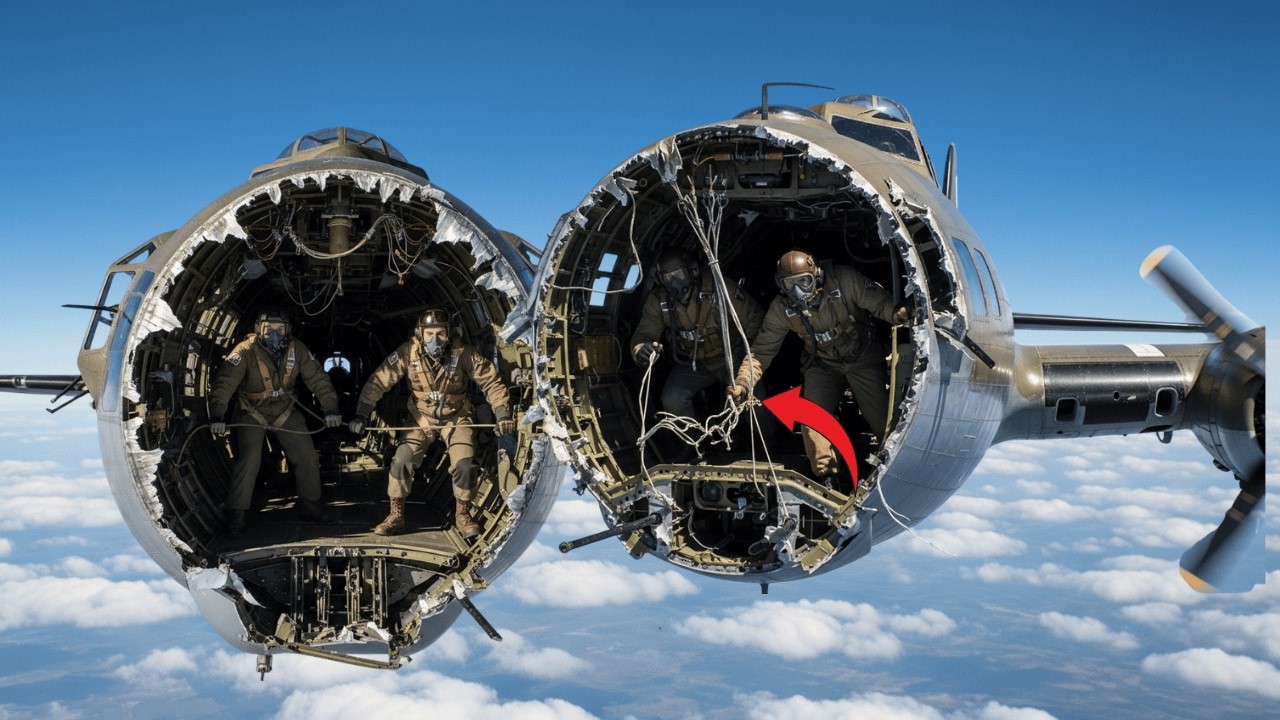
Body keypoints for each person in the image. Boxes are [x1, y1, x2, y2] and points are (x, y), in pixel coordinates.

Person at [729, 249, 909, 479]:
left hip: (862, 358)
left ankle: (889, 471)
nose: (797, 291)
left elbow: (879, 304)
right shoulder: (782, 309)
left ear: (817, 276)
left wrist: (898, 314)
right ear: (780, 285)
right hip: (823, 364)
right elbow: (761, 352)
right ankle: (828, 475)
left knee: (884, 424)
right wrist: (743, 382)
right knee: (811, 419)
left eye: (804, 282)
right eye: (789, 284)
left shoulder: (845, 280)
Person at [349, 309, 516, 538]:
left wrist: (502, 414)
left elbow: (491, 382)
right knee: (401, 461)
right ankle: (396, 516)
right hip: (421, 418)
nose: (434, 339)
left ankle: (463, 515)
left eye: (440, 333)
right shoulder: (408, 353)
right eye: (429, 334)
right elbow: (379, 380)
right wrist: (362, 413)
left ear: (448, 334)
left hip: (457, 418)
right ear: (421, 333)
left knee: (465, 465)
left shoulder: (464, 353)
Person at [208, 308, 343, 537]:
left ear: (287, 331)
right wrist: (217, 416)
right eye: (269, 329)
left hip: (285, 410)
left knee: (307, 455)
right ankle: (237, 512)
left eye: (280, 330)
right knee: (250, 458)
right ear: (258, 330)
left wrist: (330, 408)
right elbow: (225, 384)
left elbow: (318, 378)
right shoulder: (245, 351)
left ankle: (309, 504)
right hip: (252, 411)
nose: (275, 335)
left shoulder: (297, 349)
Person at [630, 248, 764, 420]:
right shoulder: (659, 300)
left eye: (679, 274)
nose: (674, 282)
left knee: (755, 403)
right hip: (696, 363)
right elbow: (644, 333)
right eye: (668, 278)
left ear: (692, 272)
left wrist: (751, 363)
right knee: (672, 398)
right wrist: (641, 349)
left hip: (734, 357)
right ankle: (692, 444)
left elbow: (755, 321)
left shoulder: (720, 287)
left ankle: (765, 445)